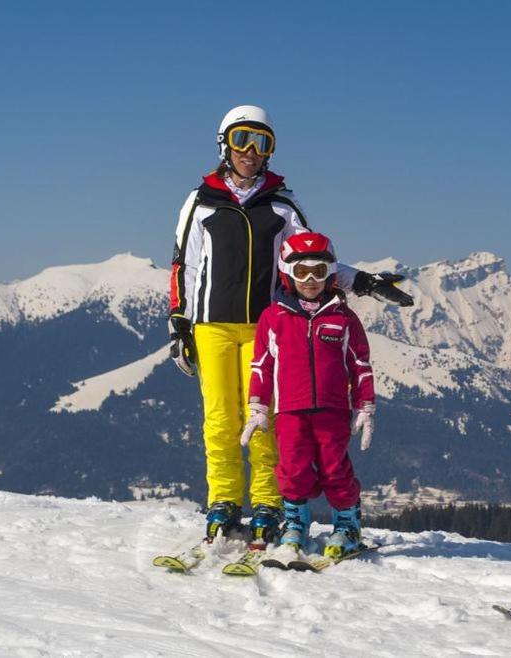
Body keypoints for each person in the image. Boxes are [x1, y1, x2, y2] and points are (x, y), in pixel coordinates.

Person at [168, 105, 410, 542]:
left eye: (261, 142)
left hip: (267, 327)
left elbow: (310, 262)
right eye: (242, 139)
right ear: (224, 144)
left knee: (263, 420)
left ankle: (266, 502)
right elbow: (184, 266)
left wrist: (364, 282)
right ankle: (223, 501)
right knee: (220, 419)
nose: (250, 151)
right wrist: (180, 325)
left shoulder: (282, 205)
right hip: (212, 326)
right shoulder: (201, 202)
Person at [240, 232, 375, 559]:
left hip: (332, 410)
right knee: (292, 468)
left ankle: (347, 525)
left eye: (319, 271)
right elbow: (261, 365)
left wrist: (365, 405)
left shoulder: (343, 318)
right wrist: (258, 406)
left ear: (331, 273)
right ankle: (295, 523)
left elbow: (360, 364)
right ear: (287, 273)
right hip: (290, 411)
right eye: (302, 272)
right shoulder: (273, 317)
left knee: (334, 469)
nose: (311, 280)